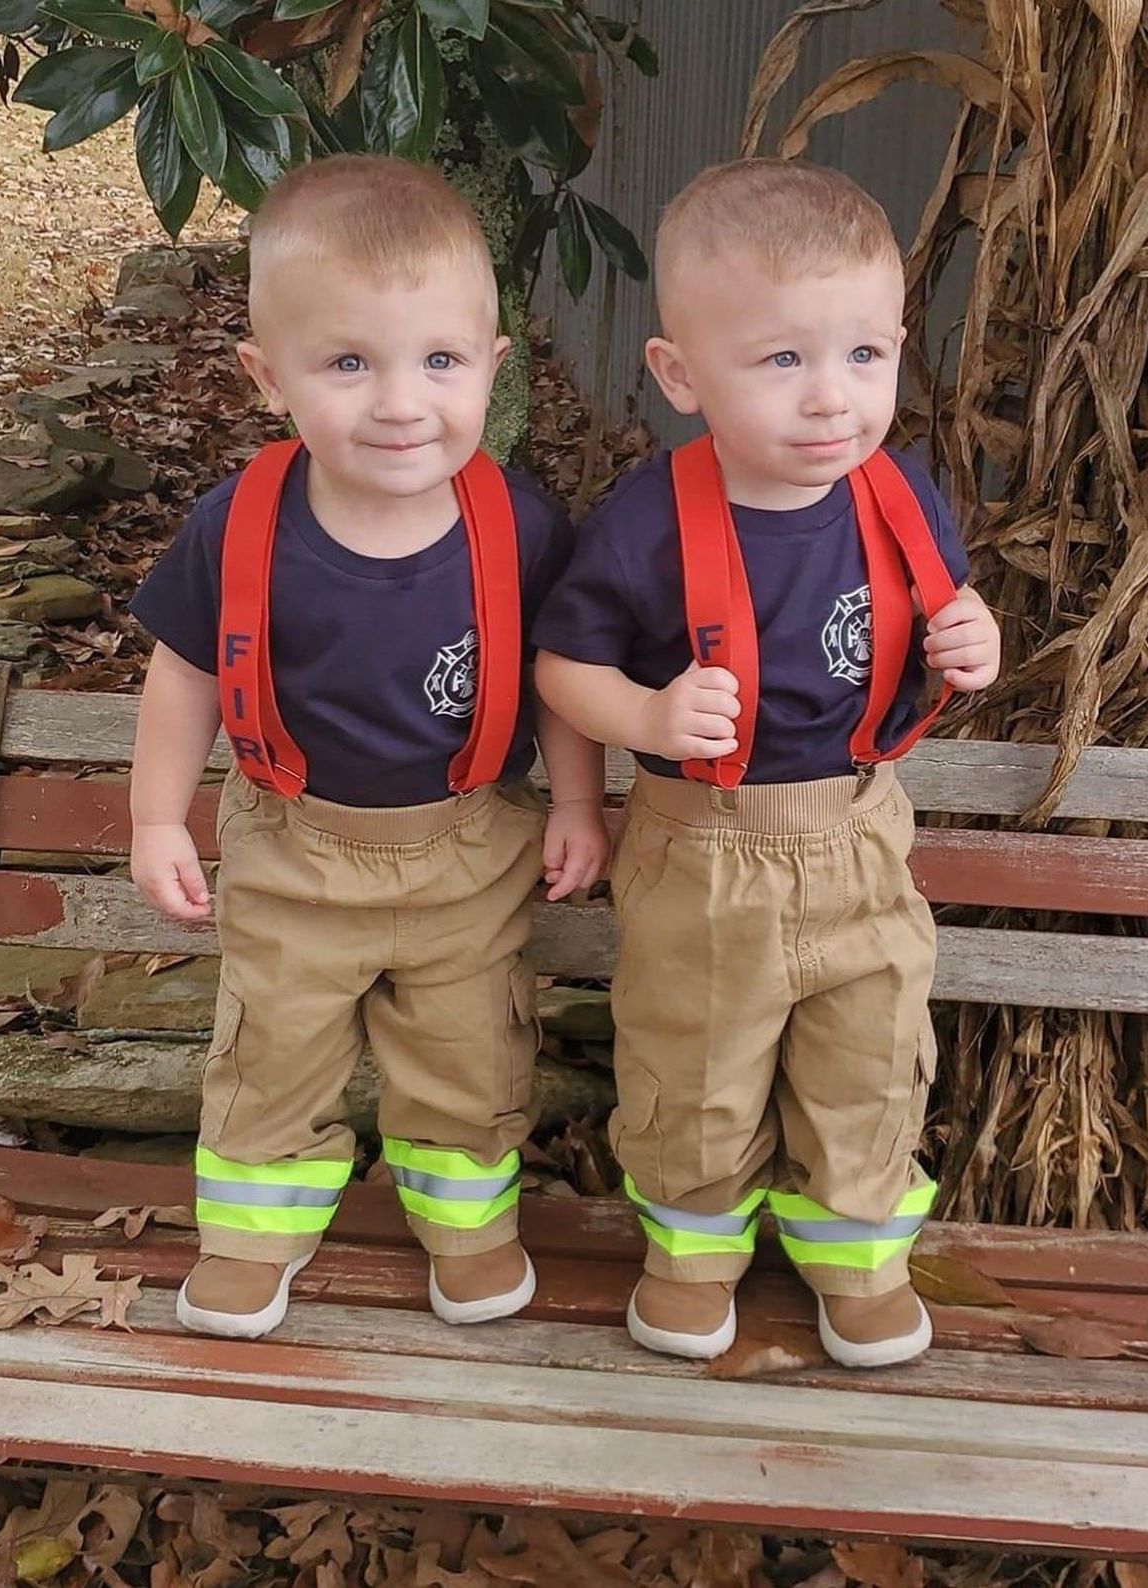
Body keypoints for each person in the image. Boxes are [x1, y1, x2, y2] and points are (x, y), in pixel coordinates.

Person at [128, 154, 609, 1341]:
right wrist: (153, 817)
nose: (401, 401)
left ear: (492, 367)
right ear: (267, 376)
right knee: (273, 1050)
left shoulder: (521, 523)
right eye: (349, 362)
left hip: (469, 850)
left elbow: (559, 680)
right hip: (295, 847)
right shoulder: (238, 525)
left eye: (439, 360)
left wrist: (577, 803)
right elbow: (183, 670)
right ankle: (252, 1236)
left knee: (468, 1052)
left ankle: (468, 1227)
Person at [534, 158, 1000, 1367]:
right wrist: (642, 718)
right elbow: (561, 670)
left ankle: (858, 1258)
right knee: (694, 1061)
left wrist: (973, 637)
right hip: (704, 848)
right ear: (681, 374)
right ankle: (692, 1257)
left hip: (858, 832)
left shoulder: (898, 495)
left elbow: (945, 613)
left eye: (865, 354)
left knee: (870, 1053)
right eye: (782, 359)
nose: (832, 399)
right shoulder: (647, 524)